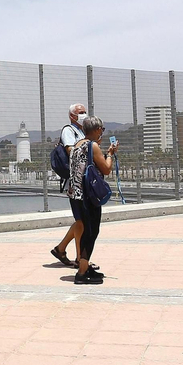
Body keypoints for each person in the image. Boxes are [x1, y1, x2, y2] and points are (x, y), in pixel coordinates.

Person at [69, 115, 118, 285]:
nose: (102, 132)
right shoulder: (93, 146)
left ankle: (84, 264)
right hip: (89, 196)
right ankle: (82, 273)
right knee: (92, 232)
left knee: (86, 231)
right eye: (102, 130)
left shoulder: (77, 146)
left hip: (76, 195)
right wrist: (110, 154)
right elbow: (106, 169)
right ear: (97, 130)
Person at [50, 103, 88, 268]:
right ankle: (80, 258)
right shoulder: (69, 131)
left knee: (81, 222)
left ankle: (61, 248)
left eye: (85, 112)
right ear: (72, 116)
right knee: (81, 222)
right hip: (75, 182)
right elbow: (71, 152)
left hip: (84, 181)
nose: (84, 115)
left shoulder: (83, 132)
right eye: (80, 112)